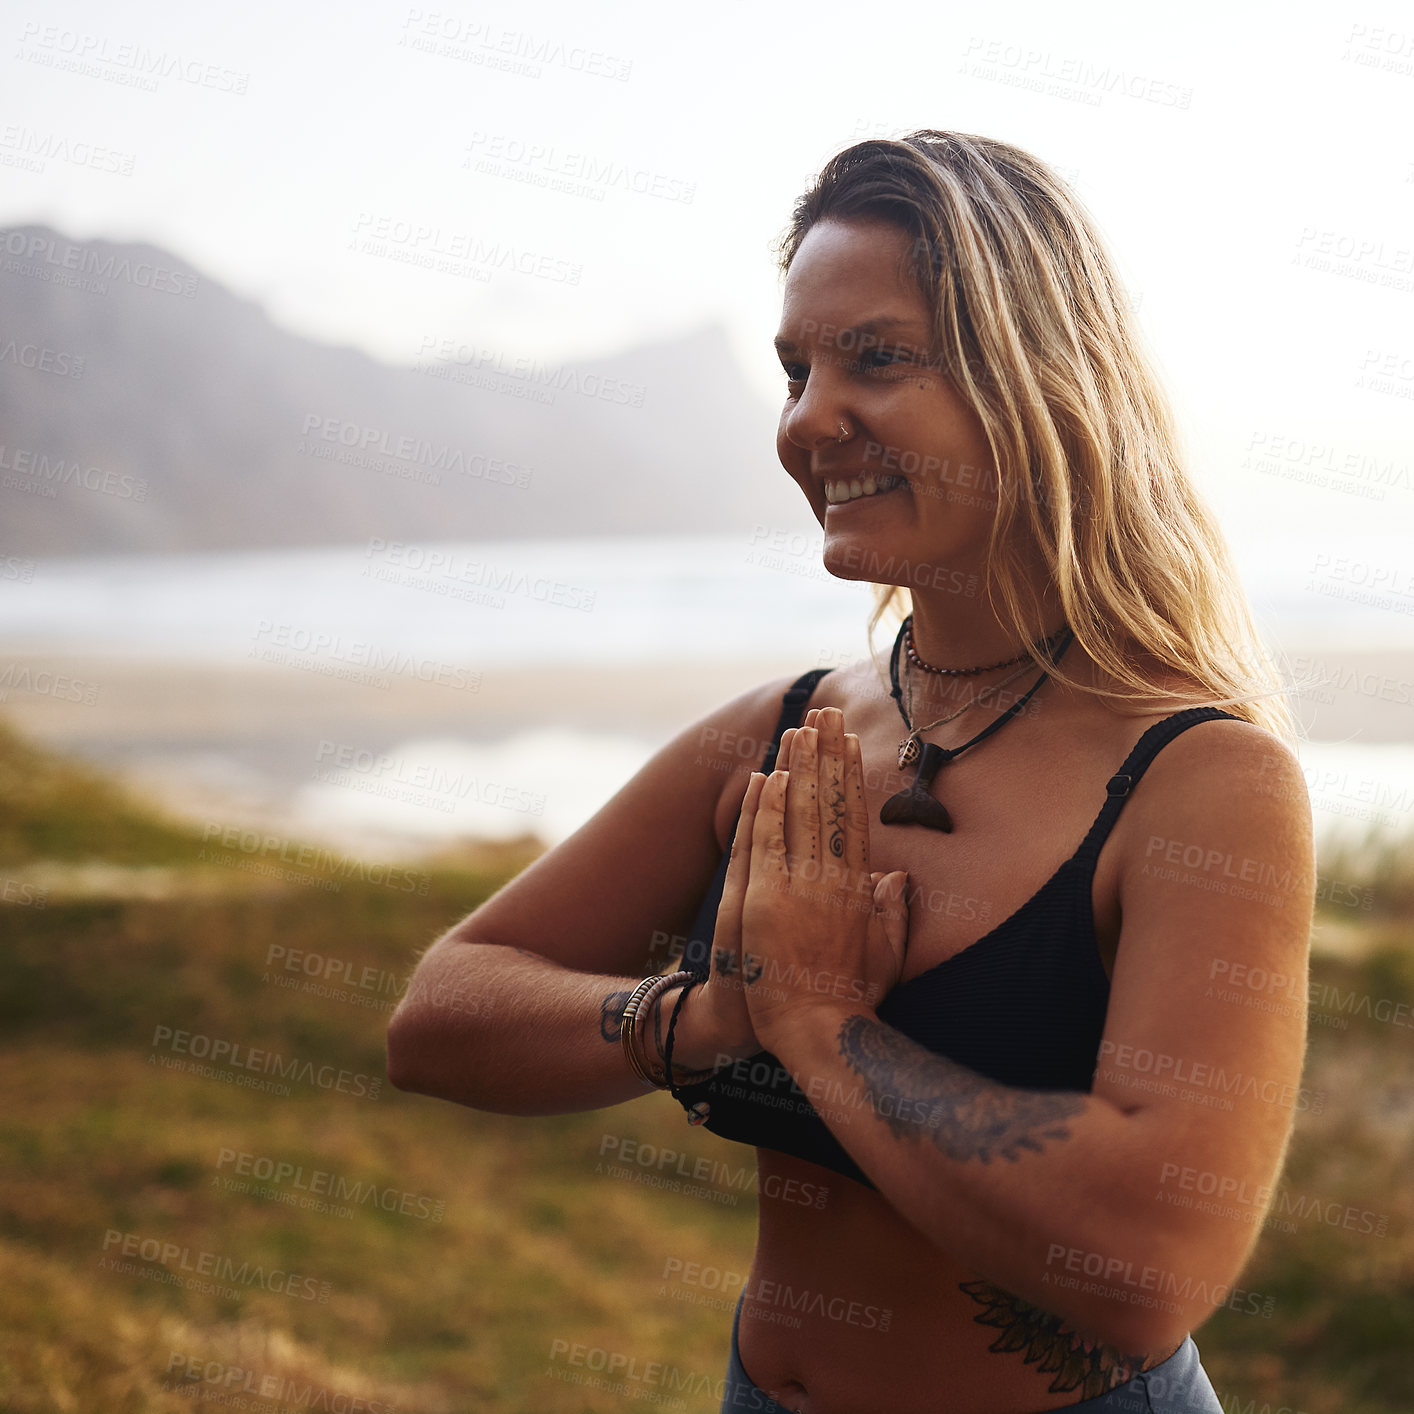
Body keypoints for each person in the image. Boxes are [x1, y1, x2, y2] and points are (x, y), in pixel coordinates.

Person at [387, 131, 1315, 1414]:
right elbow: (438, 1013)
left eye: (875, 358)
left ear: (1041, 380)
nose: (806, 418)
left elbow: (1149, 1262)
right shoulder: (783, 735)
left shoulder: (1200, 780)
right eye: (794, 367)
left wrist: (821, 1026)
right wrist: (697, 1021)